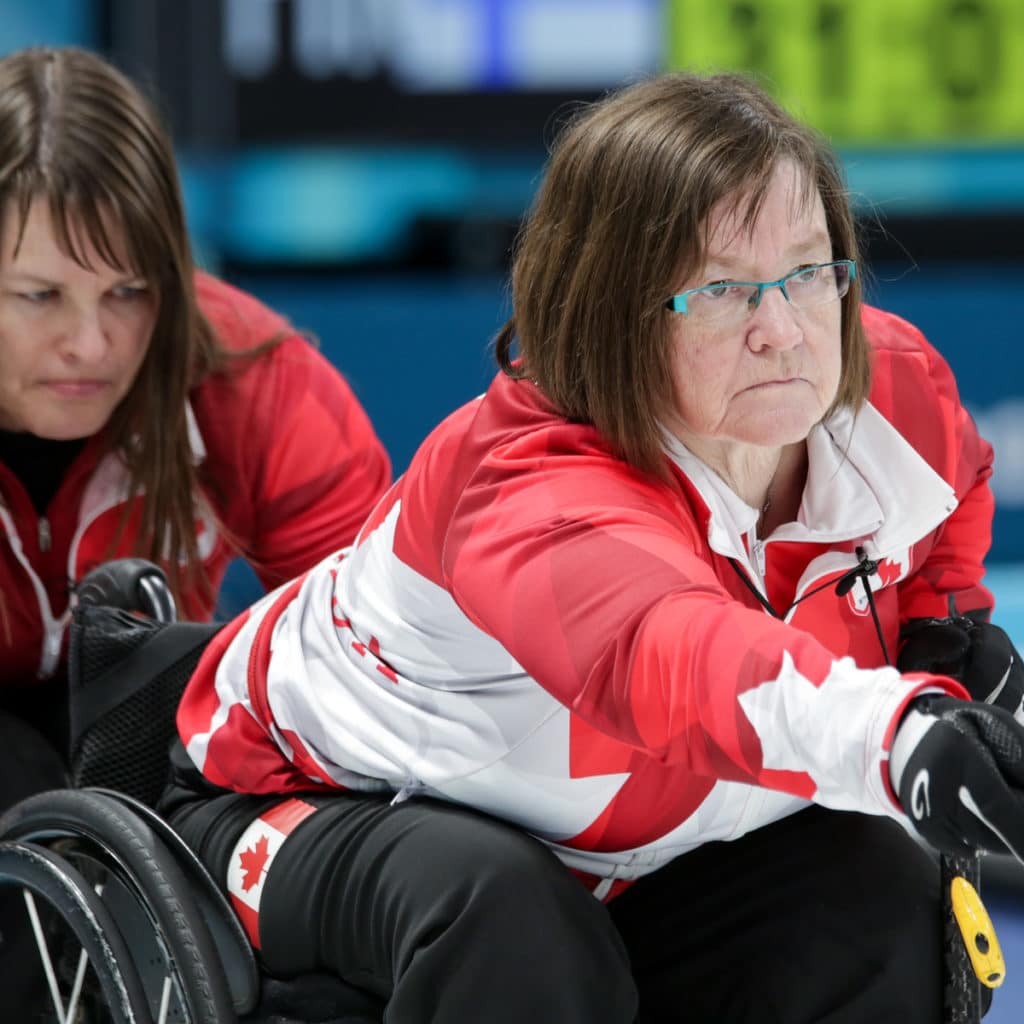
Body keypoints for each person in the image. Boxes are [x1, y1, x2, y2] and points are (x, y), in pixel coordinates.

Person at [164, 71, 1024, 1023]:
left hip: (630, 847)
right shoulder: (524, 482)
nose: (784, 330)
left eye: (809, 268)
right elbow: (676, 657)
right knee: (511, 921)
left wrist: (945, 621)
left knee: (875, 894)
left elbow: (953, 498)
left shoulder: (888, 387)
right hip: (306, 802)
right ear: (609, 306)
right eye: (724, 289)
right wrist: (897, 733)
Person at [0, 45, 391, 1012]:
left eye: (129, 293)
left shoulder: (256, 381)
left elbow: (373, 664)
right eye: (39, 294)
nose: (91, 344)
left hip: (157, 731)